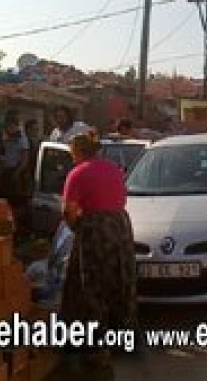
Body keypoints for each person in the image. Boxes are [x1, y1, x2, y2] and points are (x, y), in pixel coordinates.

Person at [60, 132, 137, 374]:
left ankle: (94, 344)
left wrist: (77, 227)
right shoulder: (113, 169)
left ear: (79, 151)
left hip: (95, 230)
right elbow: (121, 199)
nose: (71, 157)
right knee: (120, 280)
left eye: (72, 152)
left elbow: (69, 210)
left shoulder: (78, 173)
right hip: (120, 227)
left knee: (91, 285)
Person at [0, 117, 31, 239]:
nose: (8, 129)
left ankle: (19, 231)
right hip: (7, 171)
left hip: (16, 172)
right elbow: (3, 153)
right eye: (7, 126)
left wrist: (16, 173)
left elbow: (24, 159)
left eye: (10, 126)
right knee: (4, 201)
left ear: (15, 126)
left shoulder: (21, 138)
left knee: (16, 203)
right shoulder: (7, 137)